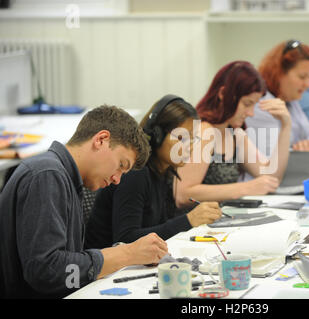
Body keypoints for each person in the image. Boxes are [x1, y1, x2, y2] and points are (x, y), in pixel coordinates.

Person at [0, 105, 168, 298]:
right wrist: (127, 254)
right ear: (101, 140)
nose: (117, 180)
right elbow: (46, 273)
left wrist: (118, 255)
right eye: (121, 165)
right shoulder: (48, 175)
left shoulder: (65, 178)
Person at [85, 95, 222, 249]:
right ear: (157, 136)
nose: (189, 146)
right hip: (109, 269)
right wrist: (188, 220)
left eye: (192, 139)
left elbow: (160, 225)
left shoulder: (164, 169)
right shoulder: (135, 172)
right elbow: (125, 238)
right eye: (181, 138)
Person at [174, 61, 291, 206]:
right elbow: (183, 194)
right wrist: (246, 188)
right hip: (193, 225)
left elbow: (270, 177)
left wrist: (286, 127)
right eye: (247, 104)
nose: (251, 113)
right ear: (223, 94)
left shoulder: (234, 133)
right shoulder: (204, 130)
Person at [245, 40, 309, 153]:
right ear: (279, 73)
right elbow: (271, 163)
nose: (308, 84)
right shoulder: (261, 106)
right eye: (302, 77)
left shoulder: (290, 101)